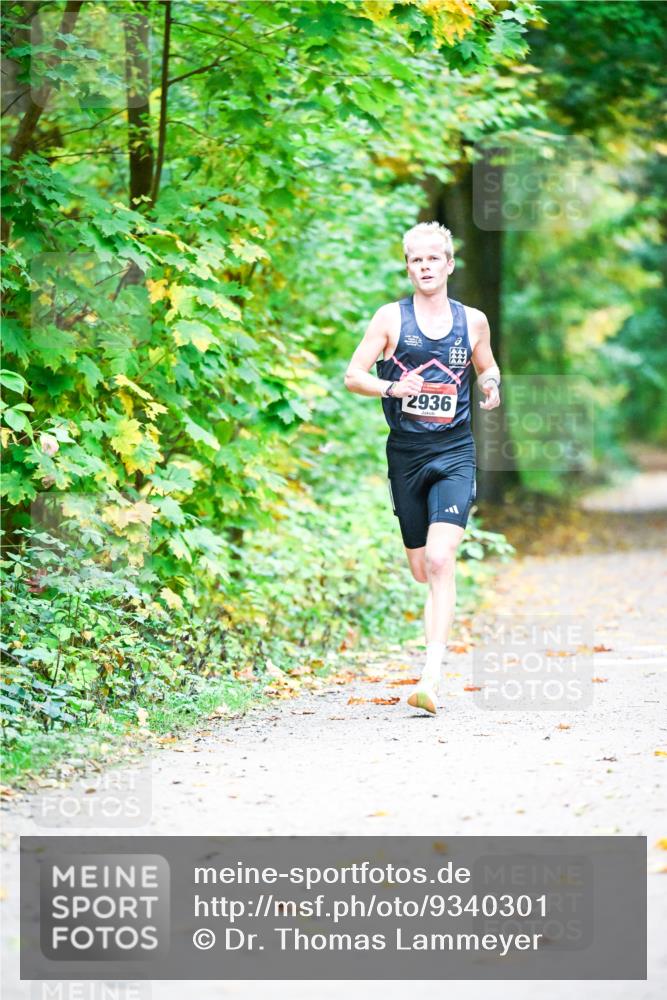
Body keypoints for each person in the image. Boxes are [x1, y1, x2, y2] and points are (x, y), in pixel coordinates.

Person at [344, 221, 501, 715]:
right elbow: (353, 376)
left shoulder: (472, 320)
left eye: (435, 258)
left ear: (449, 264)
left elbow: (487, 365)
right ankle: (432, 661)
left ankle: (431, 676)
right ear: (408, 266)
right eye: (417, 259)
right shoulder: (390, 319)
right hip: (406, 456)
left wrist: (492, 384)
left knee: (439, 560)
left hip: (455, 452)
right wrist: (392, 388)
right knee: (420, 568)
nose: (426, 266)